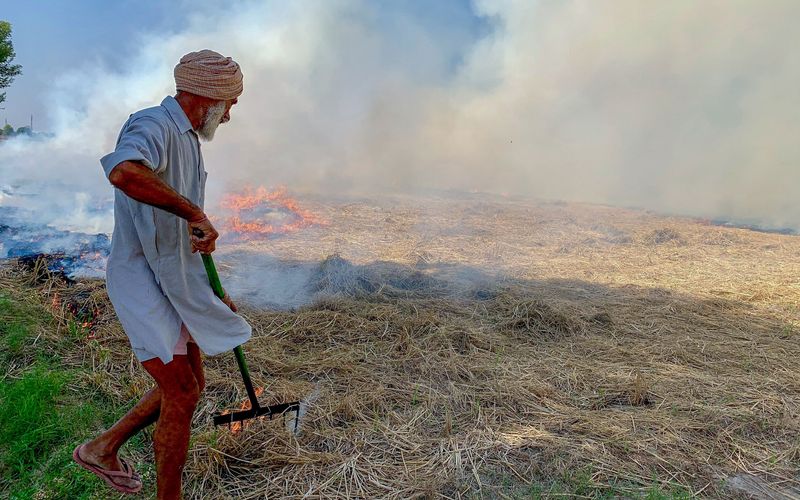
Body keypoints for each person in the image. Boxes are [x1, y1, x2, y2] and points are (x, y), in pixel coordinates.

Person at [72, 49, 251, 499]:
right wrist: (192, 211)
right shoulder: (151, 124)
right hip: (141, 281)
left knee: (190, 386)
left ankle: (103, 447)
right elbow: (123, 170)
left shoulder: (188, 138)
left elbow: (179, 235)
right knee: (183, 391)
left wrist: (213, 294)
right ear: (208, 98)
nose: (230, 115)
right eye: (229, 104)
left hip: (175, 280)